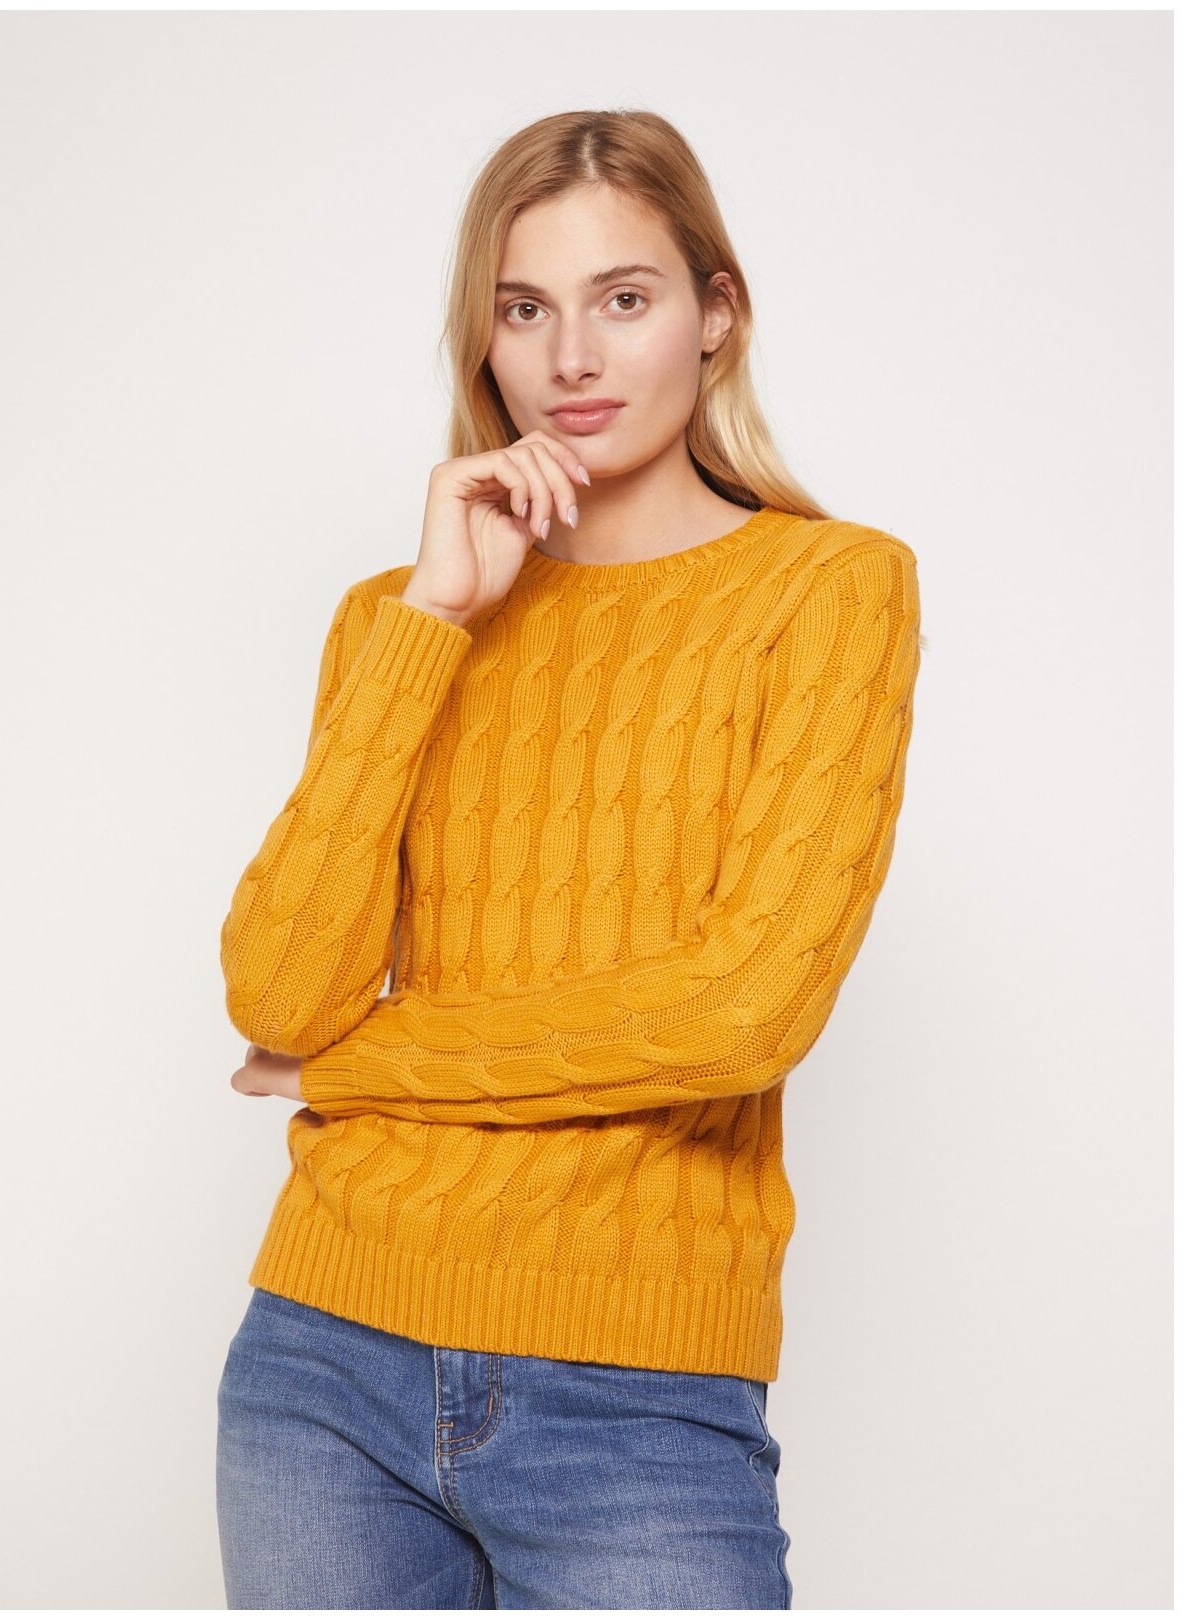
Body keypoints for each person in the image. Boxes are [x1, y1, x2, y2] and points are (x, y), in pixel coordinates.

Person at [215, 107, 922, 1610]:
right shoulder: (394, 617)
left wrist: (361, 1068)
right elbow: (277, 994)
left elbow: (740, 1015)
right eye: (525, 309)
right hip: (323, 1359)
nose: (573, 359)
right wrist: (431, 623)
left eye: (625, 298)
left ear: (717, 314)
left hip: (637, 1390)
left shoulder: (828, 591)